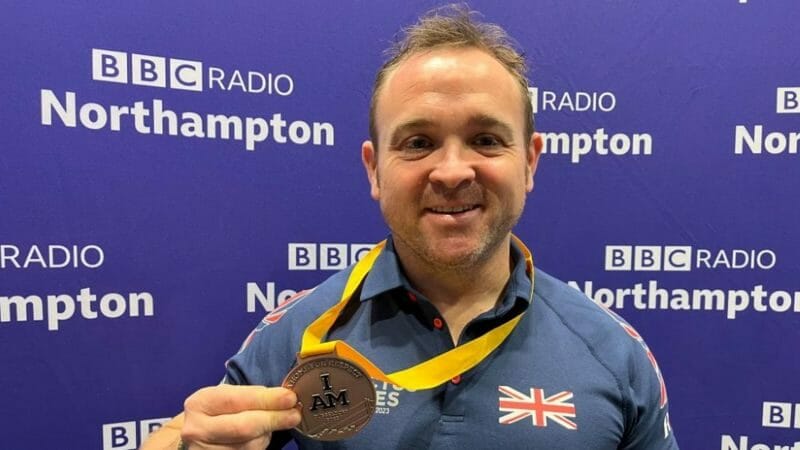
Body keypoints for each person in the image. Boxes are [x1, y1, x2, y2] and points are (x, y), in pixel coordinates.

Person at [143, 5, 679, 449]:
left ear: (531, 163)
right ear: (375, 169)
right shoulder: (301, 332)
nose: (451, 171)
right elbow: (187, 435)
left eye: (487, 139)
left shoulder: (612, 354)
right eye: (418, 143)